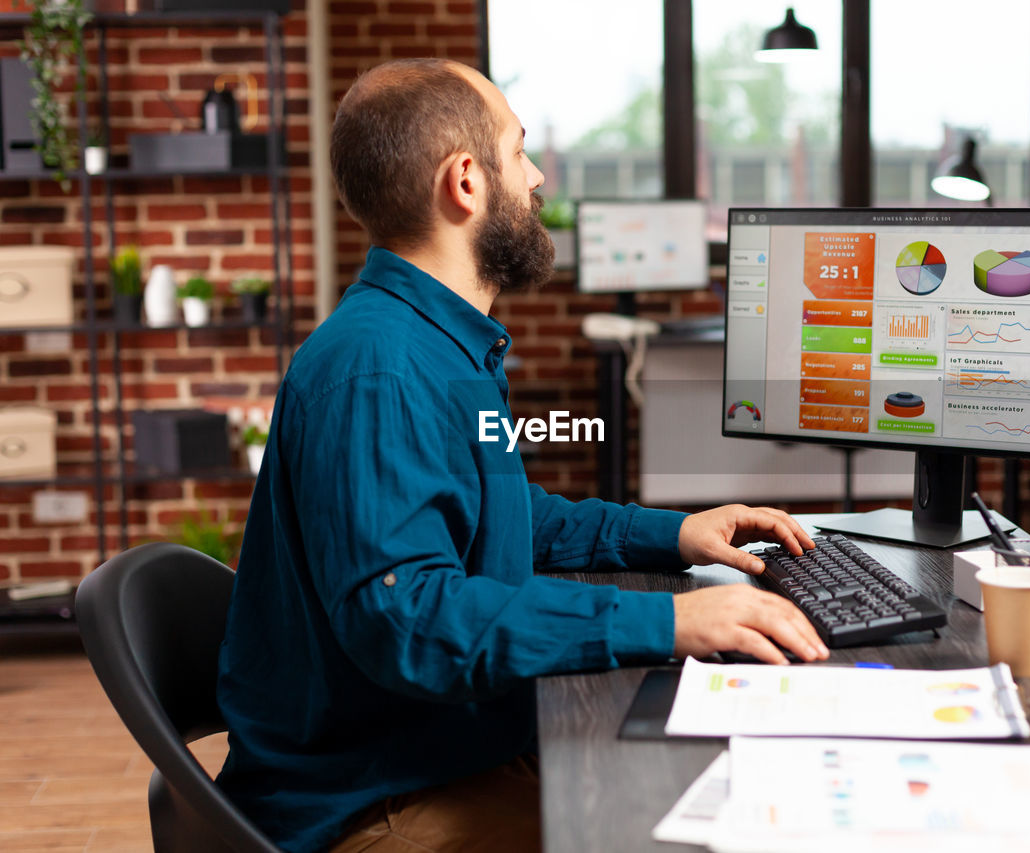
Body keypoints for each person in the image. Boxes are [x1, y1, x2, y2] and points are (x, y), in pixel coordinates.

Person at [215, 57, 827, 853]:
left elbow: (509, 515)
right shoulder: (379, 373)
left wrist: (672, 536)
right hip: (372, 803)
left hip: (444, 752)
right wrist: (669, 618)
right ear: (465, 181)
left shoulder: (444, 347)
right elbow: (413, 618)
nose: (537, 179)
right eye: (519, 151)